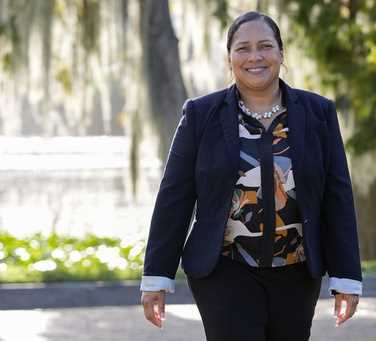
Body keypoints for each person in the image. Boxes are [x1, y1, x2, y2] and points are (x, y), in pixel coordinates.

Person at [140, 11, 362, 341]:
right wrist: (157, 275)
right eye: (243, 48)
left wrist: (346, 276)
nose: (254, 56)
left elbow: (337, 196)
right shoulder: (201, 115)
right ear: (230, 58)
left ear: (281, 54)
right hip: (223, 269)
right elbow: (175, 196)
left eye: (265, 46)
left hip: (297, 271)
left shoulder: (318, 113)